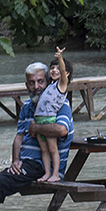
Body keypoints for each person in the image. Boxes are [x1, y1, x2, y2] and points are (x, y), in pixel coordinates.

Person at [0, 61, 73, 211]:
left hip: (43, 168)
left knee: (0, 183)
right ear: (27, 85)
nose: (37, 87)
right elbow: (19, 137)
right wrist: (16, 160)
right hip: (26, 165)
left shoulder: (60, 104)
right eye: (32, 83)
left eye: (40, 82)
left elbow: (62, 130)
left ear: (48, 82)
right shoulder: (27, 106)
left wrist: (37, 128)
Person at [32, 47, 73, 182]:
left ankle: (55, 174)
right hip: (39, 120)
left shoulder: (61, 86)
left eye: (58, 68)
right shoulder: (50, 85)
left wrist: (60, 58)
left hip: (49, 120)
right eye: (52, 68)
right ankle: (47, 173)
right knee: (44, 149)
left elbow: (62, 70)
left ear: (66, 74)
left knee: (52, 149)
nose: (54, 70)